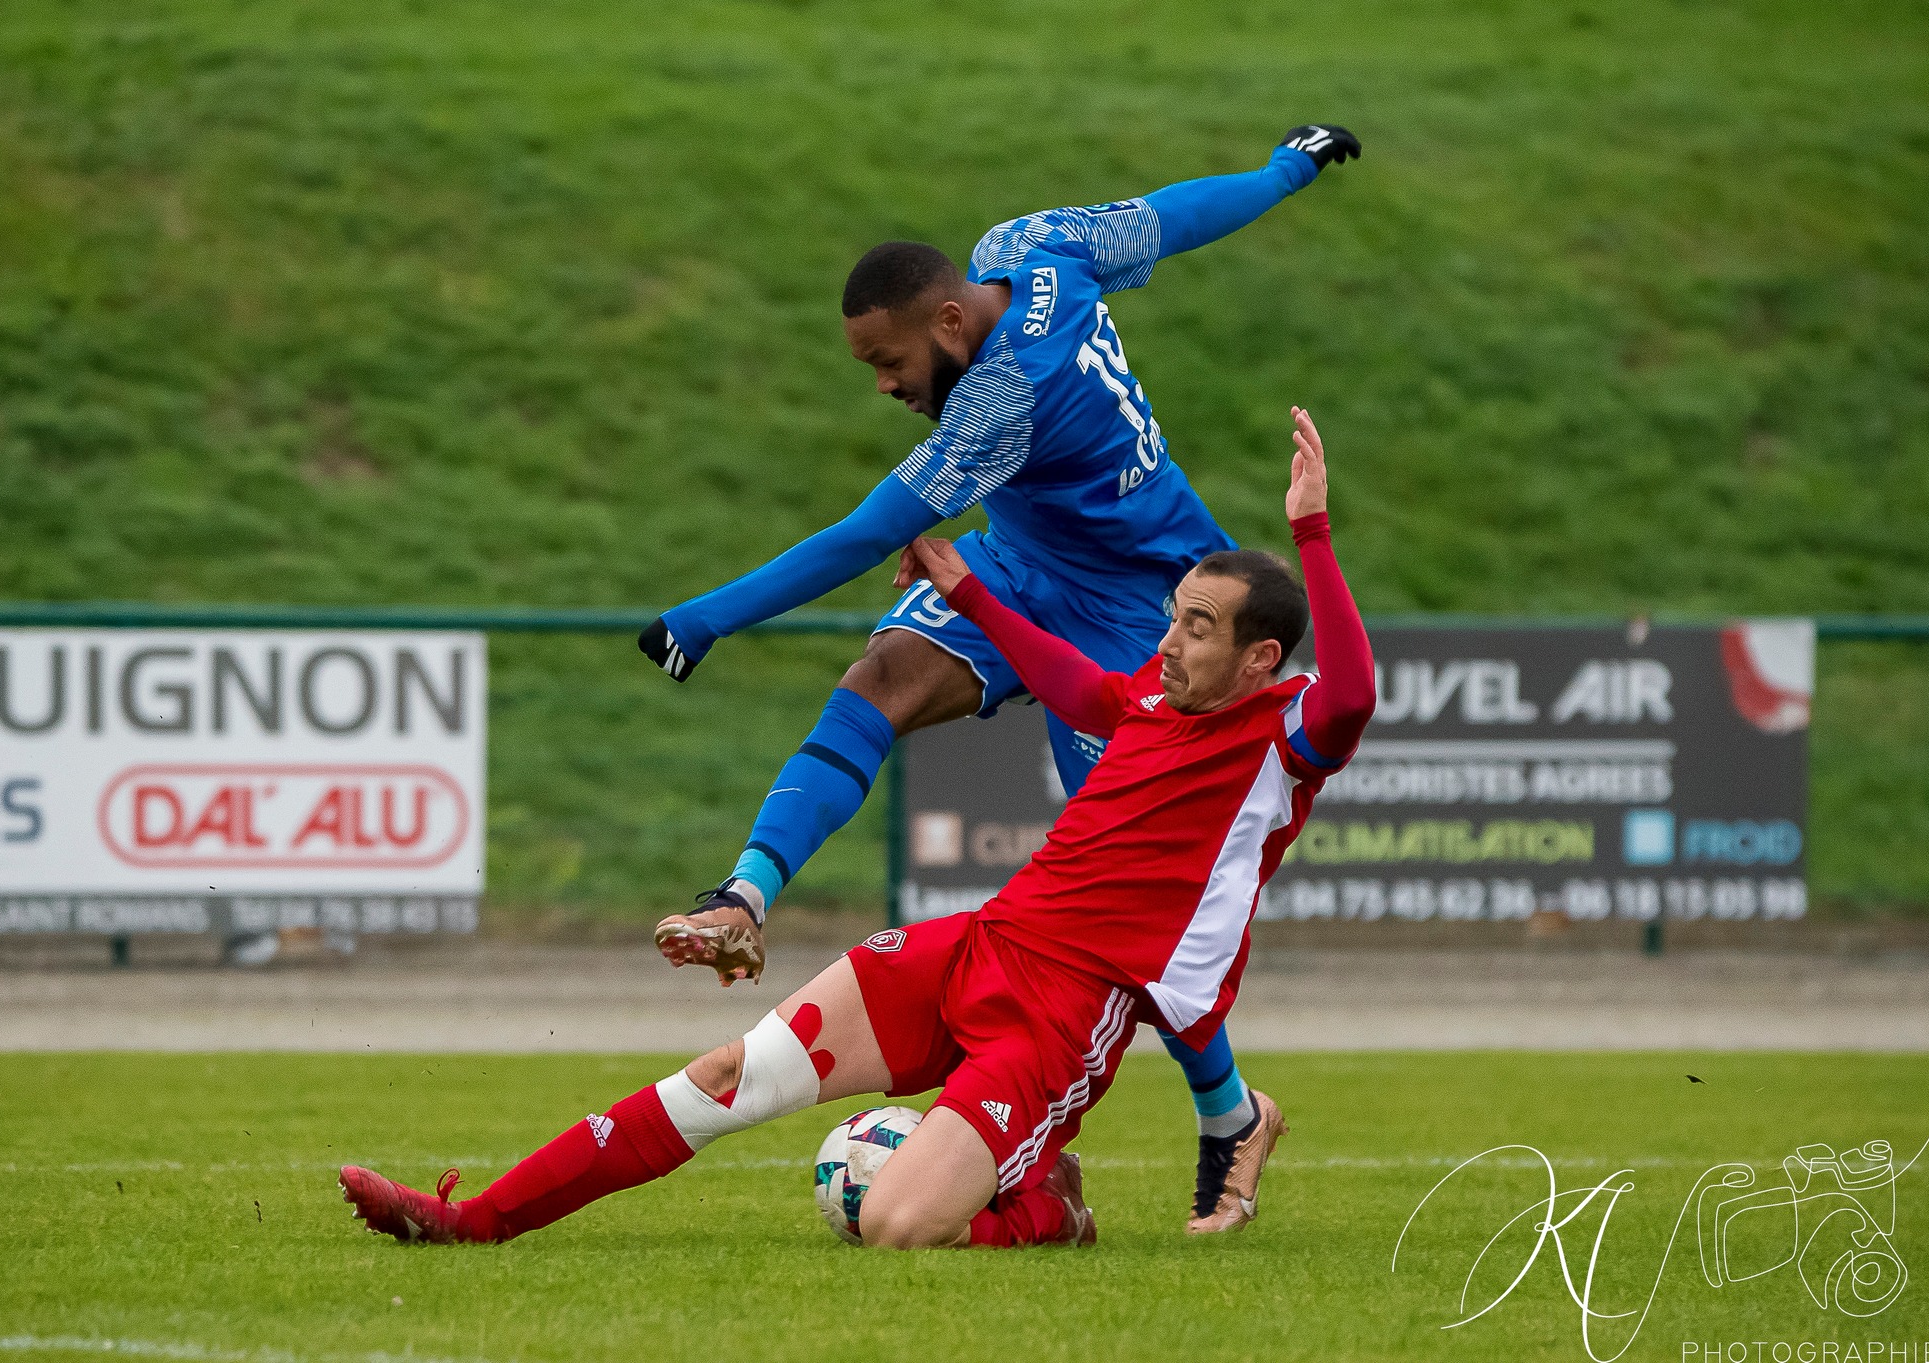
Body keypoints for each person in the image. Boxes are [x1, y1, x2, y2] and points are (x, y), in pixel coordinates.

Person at [340, 407, 1373, 1250]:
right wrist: (964, 588)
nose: (1170, 638)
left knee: (893, 1226)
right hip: (976, 946)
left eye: (1196, 625)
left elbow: (1353, 695)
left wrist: (1311, 534)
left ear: (1258, 657)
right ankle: (466, 1221)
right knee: (725, 1076)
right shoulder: (1149, 695)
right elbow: (1078, 680)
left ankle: (1047, 1205)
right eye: (1173, 614)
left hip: (1060, 1019)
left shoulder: (1285, 734)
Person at [637, 125, 1362, 1230]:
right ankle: (744, 892)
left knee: (1130, 891)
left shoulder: (996, 397)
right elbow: (1169, 218)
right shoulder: (1030, 247)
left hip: (1148, 601)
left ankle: (1228, 1112)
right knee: (877, 677)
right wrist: (1282, 168)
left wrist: (707, 616)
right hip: (1022, 568)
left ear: (943, 323)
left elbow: (859, 533)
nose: (884, 386)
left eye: (887, 364)